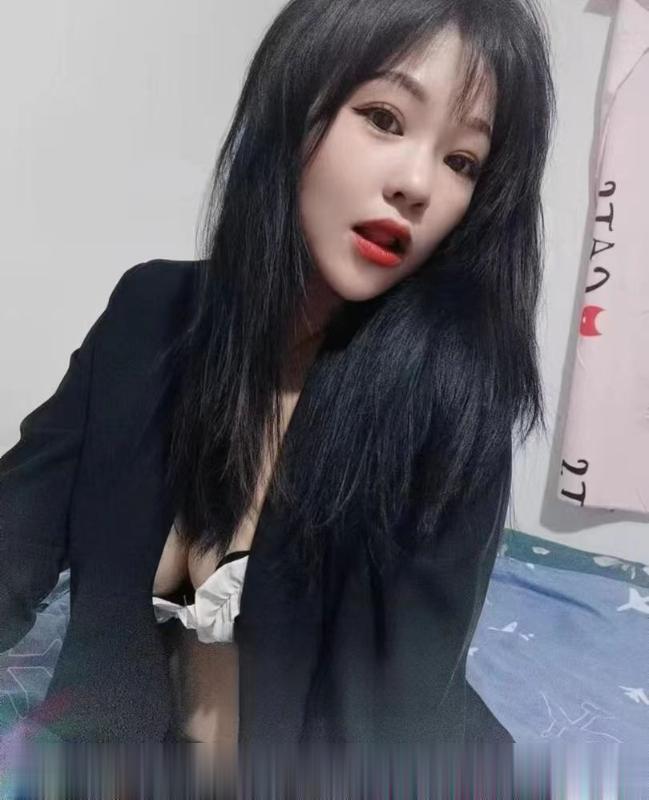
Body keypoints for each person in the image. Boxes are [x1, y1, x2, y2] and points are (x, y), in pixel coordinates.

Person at [0, 0, 555, 759]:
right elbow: (18, 533)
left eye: (462, 161)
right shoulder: (149, 313)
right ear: (295, 104)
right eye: (384, 118)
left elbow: (392, 720)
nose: (417, 184)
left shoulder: (452, 401)